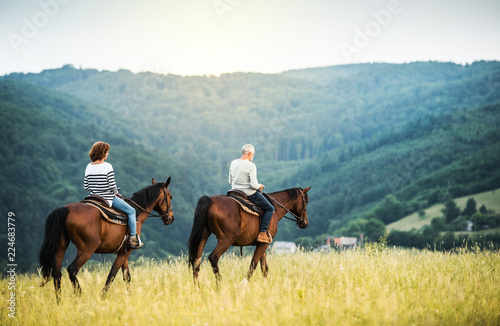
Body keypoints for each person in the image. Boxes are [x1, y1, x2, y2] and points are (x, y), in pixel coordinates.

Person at [84, 141, 143, 249]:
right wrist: (116, 193)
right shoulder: (107, 166)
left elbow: (86, 186)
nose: (108, 154)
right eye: (107, 151)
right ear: (102, 152)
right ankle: (133, 238)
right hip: (107, 198)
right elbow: (112, 186)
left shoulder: (88, 166)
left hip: (92, 198)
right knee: (131, 211)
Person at [229, 144, 274, 244]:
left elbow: (229, 180)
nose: (252, 157)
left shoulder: (233, 162)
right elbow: (254, 185)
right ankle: (262, 233)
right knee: (270, 208)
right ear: (249, 154)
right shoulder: (251, 166)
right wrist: (260, 186)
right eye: (253, 154)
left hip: (234, 192)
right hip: (248, 193)